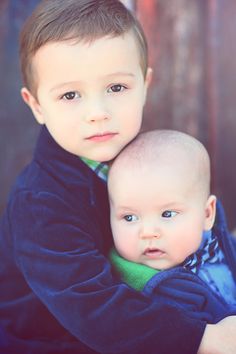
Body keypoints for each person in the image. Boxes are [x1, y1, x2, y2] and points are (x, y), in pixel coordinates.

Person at [0, 0, 236, 353]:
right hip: (52, 338)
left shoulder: (145, 157)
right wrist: (202, 339)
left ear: (144, 84)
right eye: (70, 95)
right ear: (36, 105)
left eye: (116, 88)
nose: (97, 113)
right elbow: (91, 306)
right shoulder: (40, 204)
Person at [108, 129, 236, 322]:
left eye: (167, 214)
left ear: (207, 214)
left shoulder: (216, 241)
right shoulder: (146, 295)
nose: (148, 232)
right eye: (130, 217)